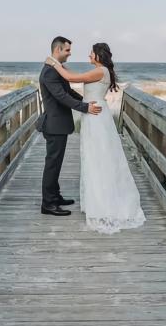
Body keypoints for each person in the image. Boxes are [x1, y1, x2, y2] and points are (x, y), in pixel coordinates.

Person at [44, 42, 145, 234]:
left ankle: (103, 203)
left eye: (91, 52)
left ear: (99, 55)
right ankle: (97, 200)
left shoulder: (100, 71)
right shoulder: (100, 71)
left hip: (96, 115)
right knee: (94, 156)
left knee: (100, 157)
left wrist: (52, 61)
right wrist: (61, 66)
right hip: (93, 114)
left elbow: (71, 77)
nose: (89, 55)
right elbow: (73, 76)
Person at [38, 36, 102, 217]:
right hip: (54, 125)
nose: (70, 53)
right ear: (57, 50)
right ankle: (48, 204)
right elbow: (61, 97)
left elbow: (68, 91)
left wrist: (86, 100)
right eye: (67, 50)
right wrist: (85, 108)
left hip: (59, 124)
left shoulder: (55, 69)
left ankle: (55, 196)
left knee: (55, 163)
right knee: (52, 164)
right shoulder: (50, 72)